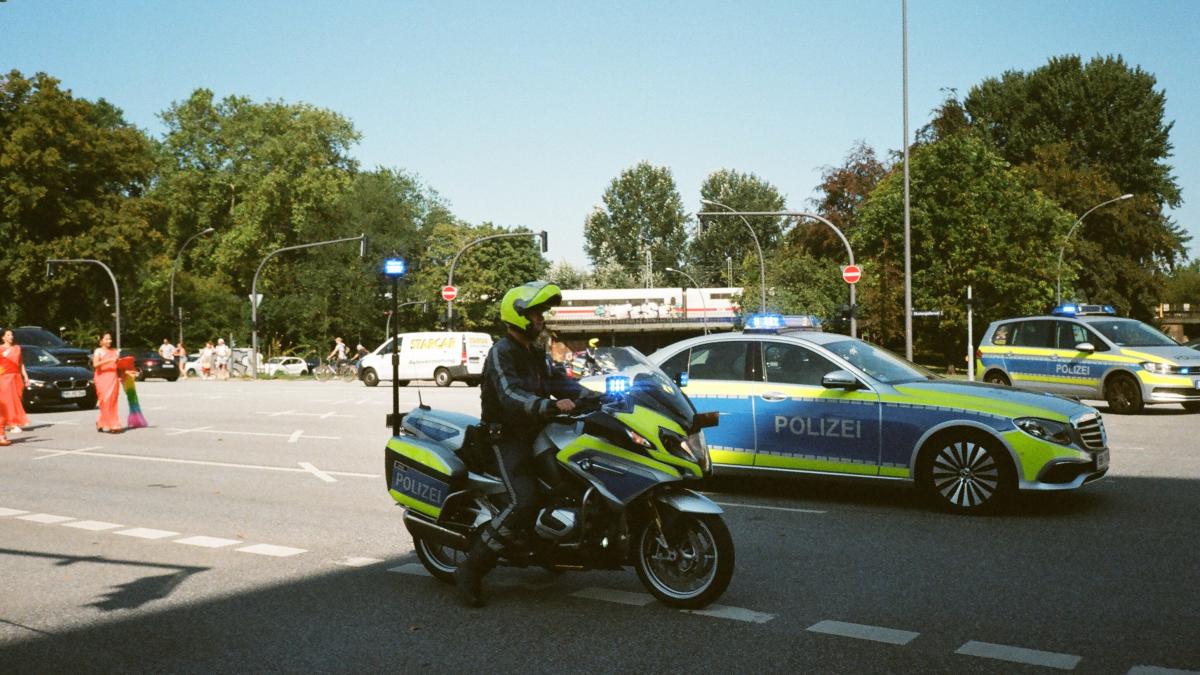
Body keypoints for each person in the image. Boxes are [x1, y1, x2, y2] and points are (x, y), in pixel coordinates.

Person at [455, 281, 588, 607]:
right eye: (536, 314)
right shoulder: (502, 353)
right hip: (505, 437)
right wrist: (549, 406)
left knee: (566, 483)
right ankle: (472, 567)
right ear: (519, 318)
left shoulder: (535, 354)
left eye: (541, 313)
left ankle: (545, 547)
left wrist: (600, 396)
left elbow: (562, 383)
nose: (541, 319)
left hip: (539, 433)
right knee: (524, 500)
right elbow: (511, 396)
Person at [0, 328, 31, 440]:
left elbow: (21, 364)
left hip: (16, 377)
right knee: (9, 400)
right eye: (8, 335)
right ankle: (13, 424)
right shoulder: (0, 349)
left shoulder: (17, 348)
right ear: (3, 337)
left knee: (17, 399)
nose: (11, 337)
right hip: (4, 378)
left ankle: (10, 422)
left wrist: (26, 376)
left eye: (12, 335)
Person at [92, 332, 122, 433]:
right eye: (106, 339)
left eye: (110, 339)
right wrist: (108, 360)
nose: (109, 341)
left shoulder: (115, 351)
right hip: (101, 378)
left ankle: (106, 423)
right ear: (101, 341)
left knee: (112, 401)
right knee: (104, 401)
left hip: (113, 378)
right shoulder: (98, 351)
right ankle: (110, 424)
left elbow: (119, 366)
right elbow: (95, 364)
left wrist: (127, 372)